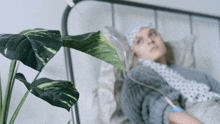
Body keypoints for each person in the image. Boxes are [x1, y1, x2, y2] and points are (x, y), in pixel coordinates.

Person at [120, 22, 220, 124]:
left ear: (161, 39)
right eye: (139, 41)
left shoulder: (195, 74)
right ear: (134, 54)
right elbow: (159, 106)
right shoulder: (139, 75)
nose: (150, 40)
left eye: (152, 34)